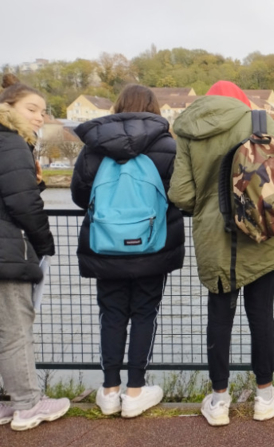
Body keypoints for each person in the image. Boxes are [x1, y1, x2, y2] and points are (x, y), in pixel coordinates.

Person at [169, 80, 274, 426]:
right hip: (260, 232)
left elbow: (180, 194)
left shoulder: (189, 131)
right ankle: (266, 396)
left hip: (214, 236)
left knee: (219, 317)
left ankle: (219, 399)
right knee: (261, 316)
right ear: (241, 100)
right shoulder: (259, 121)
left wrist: (209, 202)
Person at [71, 84, 185, 417]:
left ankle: (109, 390)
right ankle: (135, 391)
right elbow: (178, 194)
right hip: (152, 244)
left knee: (111, 315)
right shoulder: (167, 145)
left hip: (106, 245)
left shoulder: (94, 146)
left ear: (118, 107)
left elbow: (81, 196)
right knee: (145, 314)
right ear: (154, 108)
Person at [0, 74, 70, 431]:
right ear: (7, 107)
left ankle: (10, 401)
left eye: (43, 111)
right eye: (32, 109)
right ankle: (28, 403)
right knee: (15, 329)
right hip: (6, 251)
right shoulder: (11, 143)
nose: (40, 117)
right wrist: (44, 244)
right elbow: (23, 202)